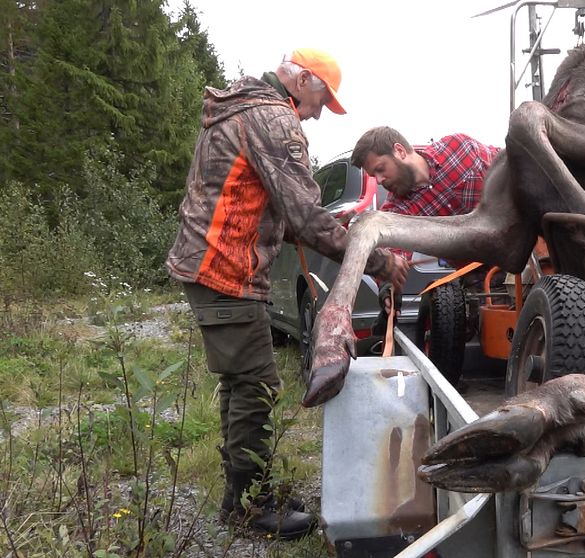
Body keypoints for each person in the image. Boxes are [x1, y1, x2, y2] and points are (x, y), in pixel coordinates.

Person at [166, 49, 408, 540]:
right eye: (322, 99)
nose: (319, 112)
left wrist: (326, 232)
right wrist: (378, 261)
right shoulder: (273, 120)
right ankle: (250, 508)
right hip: (224, 267)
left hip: (215, 265)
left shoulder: (245, 109)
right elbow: (303, 216)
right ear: (301, 79)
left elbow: (282, 213)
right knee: (257, 385)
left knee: (241, 384)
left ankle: (245, 493)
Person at [350, 126, 501, 310]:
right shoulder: (397, 209)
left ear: (400, 151)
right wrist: (388, 286)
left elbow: (506, 166)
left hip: (525, 250)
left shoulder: (458, 149)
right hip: (483, 281)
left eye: (381, 169)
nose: (380, 180)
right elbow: (392, 251)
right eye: (374, 176)